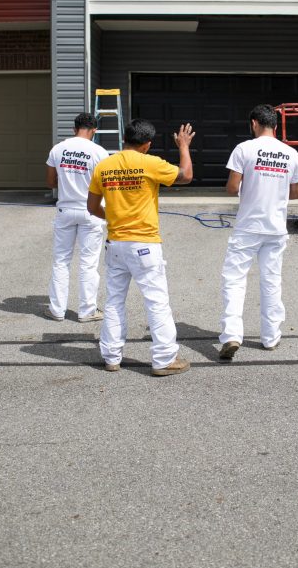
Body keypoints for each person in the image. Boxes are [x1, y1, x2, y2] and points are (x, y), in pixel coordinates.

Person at [87, 119, 195, 377]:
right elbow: (186, 175)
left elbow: (91, 207)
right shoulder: (150, 163)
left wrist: (113, 218)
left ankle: (111, 357)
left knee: (113, 302)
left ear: (125, 138)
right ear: (147, 144)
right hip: (145, 244)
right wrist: (183, 146)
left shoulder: (104, 166)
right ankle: (164, 359)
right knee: (156, 302)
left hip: (115, 244)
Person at [219, 104, 298, 359]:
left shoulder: (244, 149)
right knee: (271, 281)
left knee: (234, 280)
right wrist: (276, 191)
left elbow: (232, 188)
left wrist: (252, 185)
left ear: (254, 123)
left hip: (248, 226)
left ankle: (233, 335)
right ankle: (270, 338)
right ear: (275, 126)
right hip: (275, 227)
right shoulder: (290, 153)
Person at [45, 113, 110, 322]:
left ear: (74, 129)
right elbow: (106, 185)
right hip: (91, 210)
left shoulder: (58, 149)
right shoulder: (99, 152)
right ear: (94, 131)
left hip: (65, 210)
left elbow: (50, 182)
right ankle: (87, 310)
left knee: (61, 261)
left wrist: (67, 183)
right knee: (88, 263)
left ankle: (56, 310)